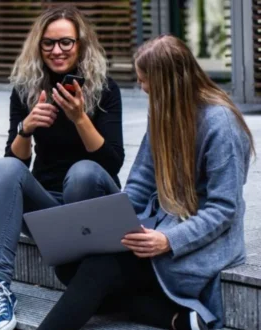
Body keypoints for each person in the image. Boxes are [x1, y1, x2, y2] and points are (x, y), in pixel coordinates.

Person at [36, 35, 256, 330]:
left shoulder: (221, 124)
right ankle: (176, 318)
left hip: (200, 241)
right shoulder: (164, 113)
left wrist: (168, 240)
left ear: (167, 82)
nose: (141, 87)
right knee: (69, 266)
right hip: (157, 226)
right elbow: (139, 184)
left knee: (98, 270)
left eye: (144, 80)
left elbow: (223, 209)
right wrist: (115, 225)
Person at [0, 5, 124, 330]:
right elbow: (15, 164)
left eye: (66, 42)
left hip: (94, 204)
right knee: (3, 168)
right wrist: (26, 129)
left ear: (80, 44)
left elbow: (113, 161)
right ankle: (0, 287)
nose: (57, 51)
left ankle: (85, 274)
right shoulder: (27, 89)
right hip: (50, 208)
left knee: (83, 173)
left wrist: (79, 117)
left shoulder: (104, 89)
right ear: (38, 45)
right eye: (48, 43)